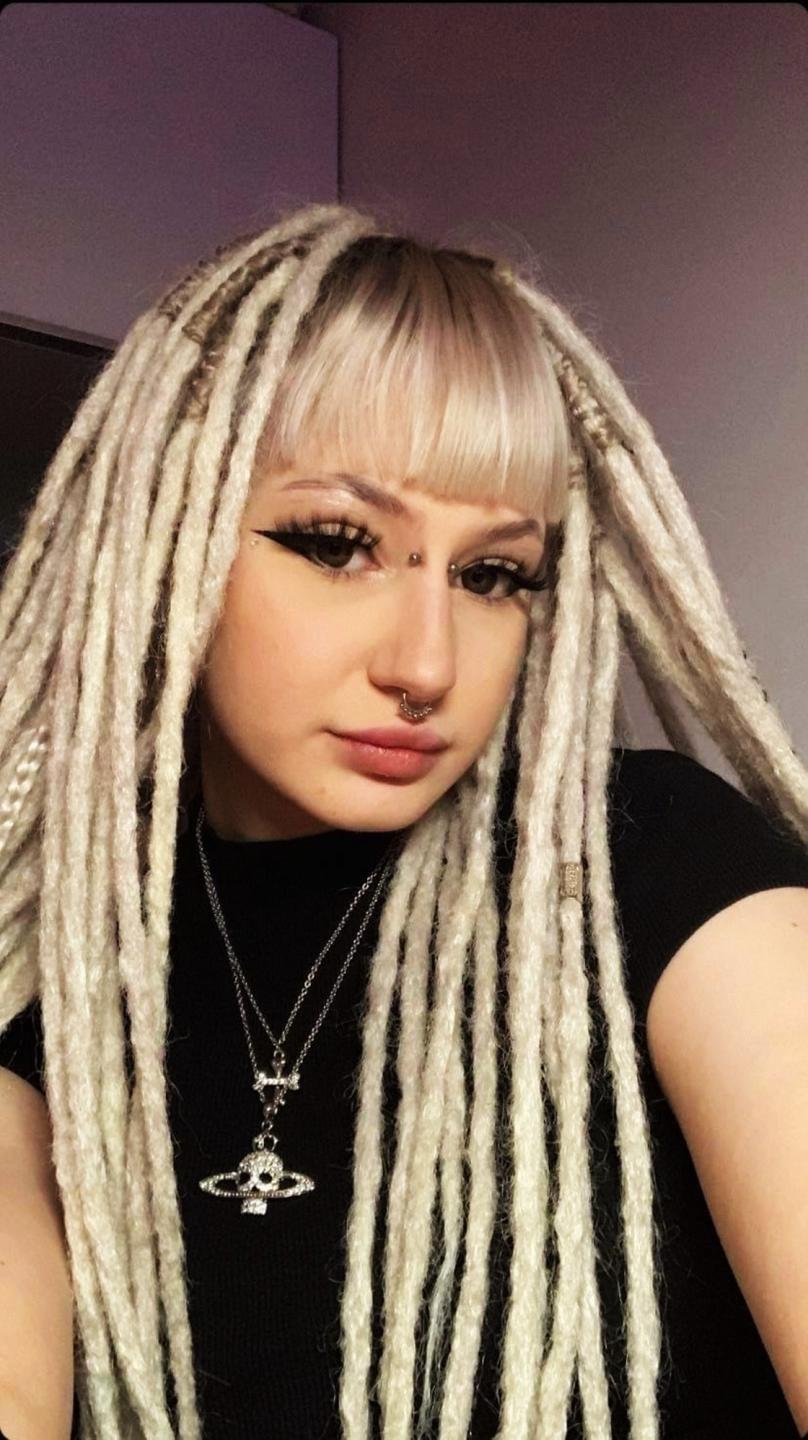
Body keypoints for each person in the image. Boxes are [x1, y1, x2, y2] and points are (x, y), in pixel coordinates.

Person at [0, 200, 806, 1440]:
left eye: (492, 575)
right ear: (163, 543)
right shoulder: (57, 992)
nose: (427, 663)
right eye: (337, 544)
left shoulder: (661, 868)